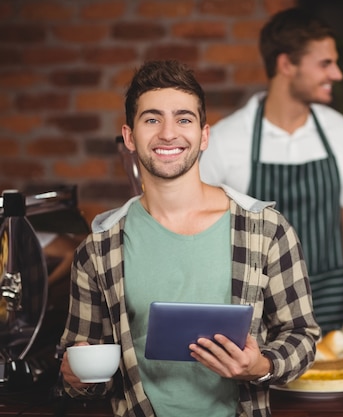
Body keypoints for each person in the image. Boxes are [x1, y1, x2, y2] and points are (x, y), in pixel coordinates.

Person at [58, 60, 320, 417]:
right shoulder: (98, 250)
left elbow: (301, 334)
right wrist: (77, 378)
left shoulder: (266, 230)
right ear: (129, 137)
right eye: (152, 119)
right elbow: (84, 365)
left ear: (204, 135)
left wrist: (261, 366)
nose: (168, 133)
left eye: (183, 119)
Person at [199, 7, 343, 334]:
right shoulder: (225, 140)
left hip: (331, 309)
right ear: (286, 64)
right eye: (325, 63)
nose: (337, 74)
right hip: (256, 315)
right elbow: (199, 238)